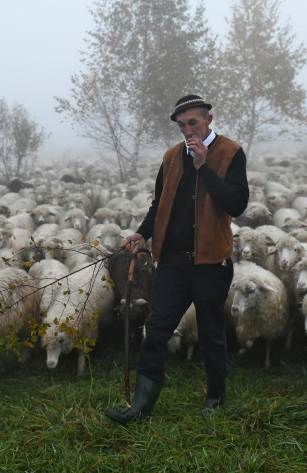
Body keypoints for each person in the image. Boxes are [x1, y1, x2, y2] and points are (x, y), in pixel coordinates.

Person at [105, 94, 249, 425]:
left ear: (209, 119)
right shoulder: (172, 157)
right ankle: (141, 405)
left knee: (211, 333)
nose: (188, 131)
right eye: (182, 125)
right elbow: (161, 204)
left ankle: (215, 396)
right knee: (155, 330)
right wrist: (143, 234)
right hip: (172, 262)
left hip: (211, 263)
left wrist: (204, 168)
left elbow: (236, 204)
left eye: (193, 123)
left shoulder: (230, 153)